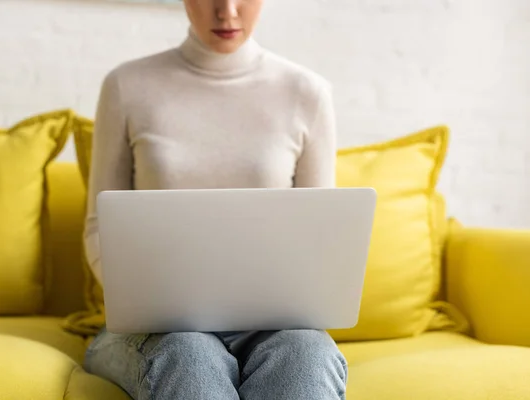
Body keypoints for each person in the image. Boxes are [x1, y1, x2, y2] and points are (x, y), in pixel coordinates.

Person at [82, 0, 347, 399]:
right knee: (189, 353)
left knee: (306, 356)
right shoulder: (126, 85)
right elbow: (97, 227)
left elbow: (319, 237)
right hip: (156, 327)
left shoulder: (308, 93)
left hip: (273, 327)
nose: (227, 12)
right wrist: (142, 296)